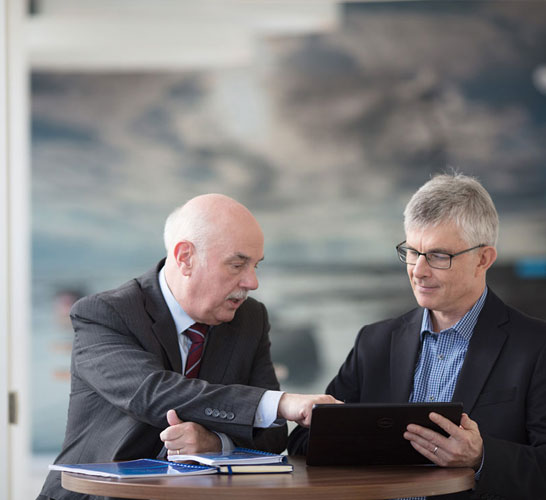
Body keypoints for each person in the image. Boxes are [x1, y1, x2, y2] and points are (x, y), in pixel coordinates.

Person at [39, 194, 338, 500]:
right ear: (185, 258)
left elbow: (272, 437)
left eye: (256, 266)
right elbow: (153, 392)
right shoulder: (104, 314)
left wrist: (216, 443)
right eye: (237, 264)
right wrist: (281, 403)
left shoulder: (250, 319)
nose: (252, 282)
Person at [288, 173, 546, 499]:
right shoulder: (374, 343)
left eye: (439, 256)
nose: (418, 271)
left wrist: (482, 458)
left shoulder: (537, 347)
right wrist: (366, 439)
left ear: (484, 259)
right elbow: (300, 443)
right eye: (412, 251)